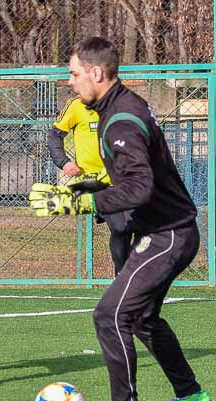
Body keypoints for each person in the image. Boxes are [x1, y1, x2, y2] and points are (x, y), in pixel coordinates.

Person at [29, 37, 212, 401]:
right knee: (142, 318)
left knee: (109, 315)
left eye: (75, 75)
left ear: (97, 73)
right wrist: (81, 191)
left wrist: (86, 205)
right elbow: (131, 179)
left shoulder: (122, 119)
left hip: (167, 235)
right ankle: (190, 395)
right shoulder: (121, 105)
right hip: (169, 230)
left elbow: (141, 187)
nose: (71, 83)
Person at [48, 96, 132, 275]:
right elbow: (55, 136)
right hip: (95, 181)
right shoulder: (76, 105)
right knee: (120, 226)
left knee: (132, 226)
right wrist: (64, 162)